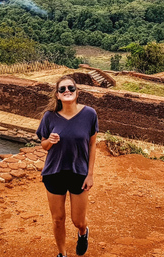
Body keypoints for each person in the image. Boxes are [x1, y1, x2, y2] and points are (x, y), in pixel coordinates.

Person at [37, 75, 98, 257]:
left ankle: (83, 233)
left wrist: (90, 174)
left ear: (77, 92)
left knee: (78, 220)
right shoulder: (49, 117)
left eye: (70, 88)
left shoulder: (89, 114)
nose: (67, 92)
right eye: (62, 89)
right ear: (57, 95)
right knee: (57, 220)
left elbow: (92, 144)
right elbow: (43, 145)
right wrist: (50, 141)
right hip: (54, 172)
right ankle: (62, 254)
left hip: (79, 172)